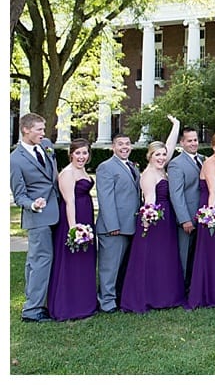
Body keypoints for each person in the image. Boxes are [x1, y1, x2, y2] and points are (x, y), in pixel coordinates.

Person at [120, 115, 186, 313]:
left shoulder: (162, 168)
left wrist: (176, 126)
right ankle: (150, 297)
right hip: (155, 220)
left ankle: (165, 295)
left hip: (167, 218)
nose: (162, 157)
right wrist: (147, 225)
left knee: (165, 258)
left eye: (163, 155)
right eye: (157, 155)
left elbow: (170, 147)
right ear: (150, 156)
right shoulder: (148, 175)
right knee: (153, 258)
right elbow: (149, 201)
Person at [10, 112, 60, 323]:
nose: (43, 133)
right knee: (40, 261)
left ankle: (48, 300)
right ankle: (32, 310)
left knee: (40, 261)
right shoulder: (14, 160)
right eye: (39, 129)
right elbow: (19, 194)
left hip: (58, 210)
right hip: (38, 216)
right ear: (26, 130)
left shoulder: (46, 144)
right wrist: (33, 204)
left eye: (43, 128)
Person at [185, 131, 215, 309]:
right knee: (211, 251)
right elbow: (212, 191)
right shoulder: (209, 163)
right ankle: (208, 294)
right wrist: (211, 215)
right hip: (212, 209)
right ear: (213, 147)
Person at [48, 138, 96, 321]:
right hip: (73, 218)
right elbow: (69, 202)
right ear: (71, 154)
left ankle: (84, 302)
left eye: (85, 153)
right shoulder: (67, 173)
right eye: (78, 153)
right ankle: (67, 306)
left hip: (86, 215)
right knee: (72, 260)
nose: (82, 156)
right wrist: (74, 229)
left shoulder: (81, 169)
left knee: (84, 259)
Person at [96, 132, 141, 314]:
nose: (125, 147)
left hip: (131, 224)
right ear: (113, 147)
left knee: (123, 266)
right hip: (114, 227)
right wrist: (112, 225)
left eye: (127, 143)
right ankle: (106, 301)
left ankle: (120, 296)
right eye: (120, 144)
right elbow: (105, 199)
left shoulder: (132, 166)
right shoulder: (105, 167)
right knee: (109, 267)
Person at [168, 126, 203, 292]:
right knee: (184, 255)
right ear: (182, 142)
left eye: (195, 140)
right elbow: (176, 194)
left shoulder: (204, 159)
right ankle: (181, 289)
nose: (193, 143)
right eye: (189, 140)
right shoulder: (176, 164)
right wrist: (184, 219)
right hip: (187, 218)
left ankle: (195, 286)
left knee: (197, 255)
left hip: (204, 216)